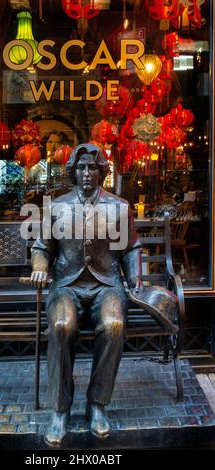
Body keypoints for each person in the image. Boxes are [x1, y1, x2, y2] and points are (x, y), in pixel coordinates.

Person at [30, 143, 178, 447]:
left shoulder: (119, 207)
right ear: (73, 171)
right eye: (82, 167)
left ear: (102, 172)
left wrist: (135, 277)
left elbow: (132, 248)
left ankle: (97, 404)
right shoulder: (56, 207)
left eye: (93, 168)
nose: (87, 173)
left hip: (106, 285)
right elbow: (42, 248)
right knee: (61, 327)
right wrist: (40, 267)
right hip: (66, 287)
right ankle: (60, 409)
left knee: (113, 326)